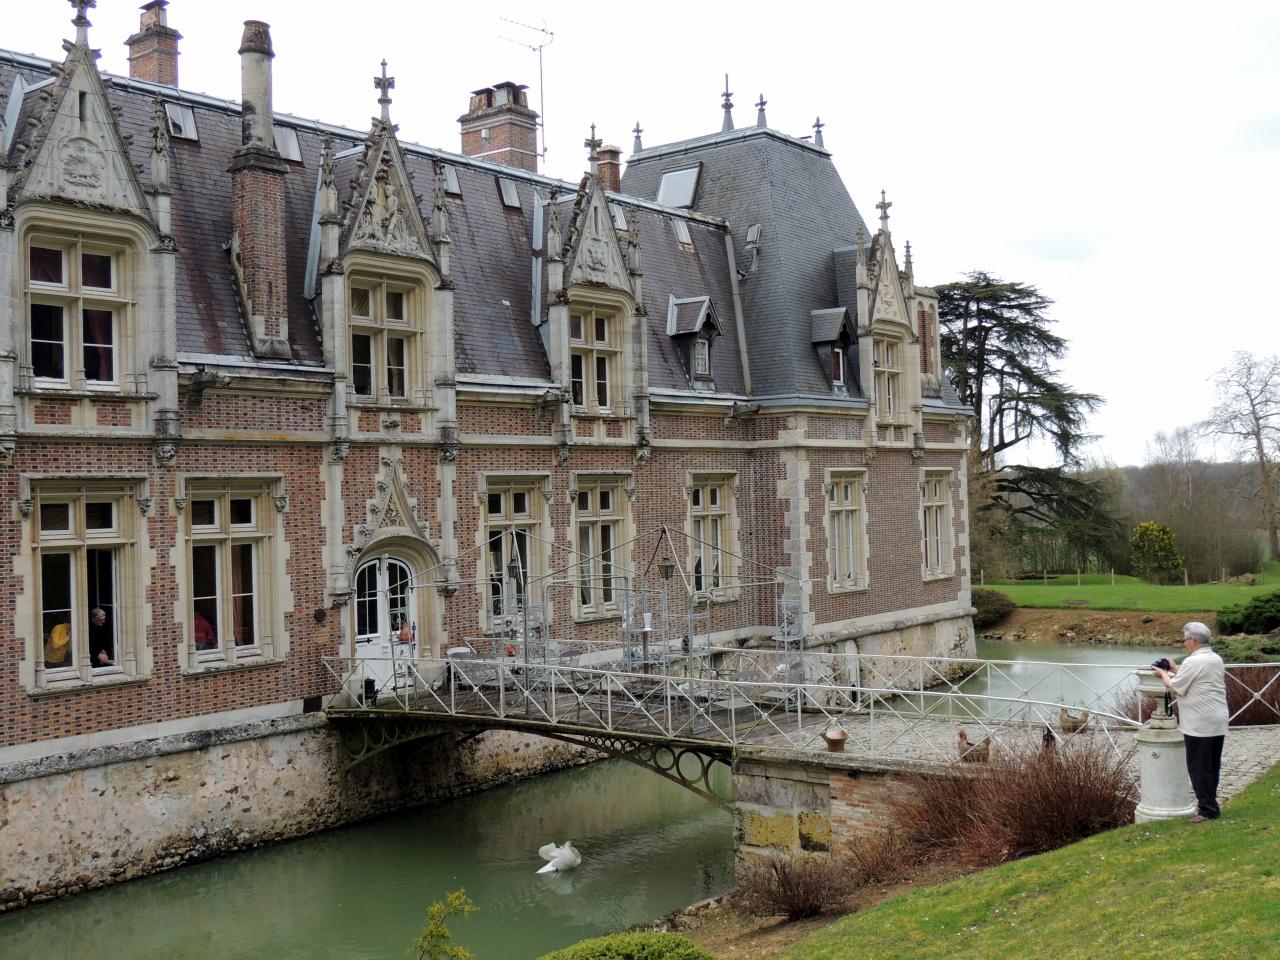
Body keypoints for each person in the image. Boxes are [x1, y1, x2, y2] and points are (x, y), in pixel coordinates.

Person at [1153, 621, 1229, 822]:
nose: (1184, 643)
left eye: (1185, 639)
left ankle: (1207, 810)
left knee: (1199, 766)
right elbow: (1192, 678)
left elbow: (1175, 687)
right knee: (1212, 765)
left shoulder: (1193, 661)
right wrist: (1175, 668)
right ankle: (1210, 805)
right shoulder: (1215, 658)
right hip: (1217, 719)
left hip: (1199, 723)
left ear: (1193, 640)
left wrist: (1162, 674)